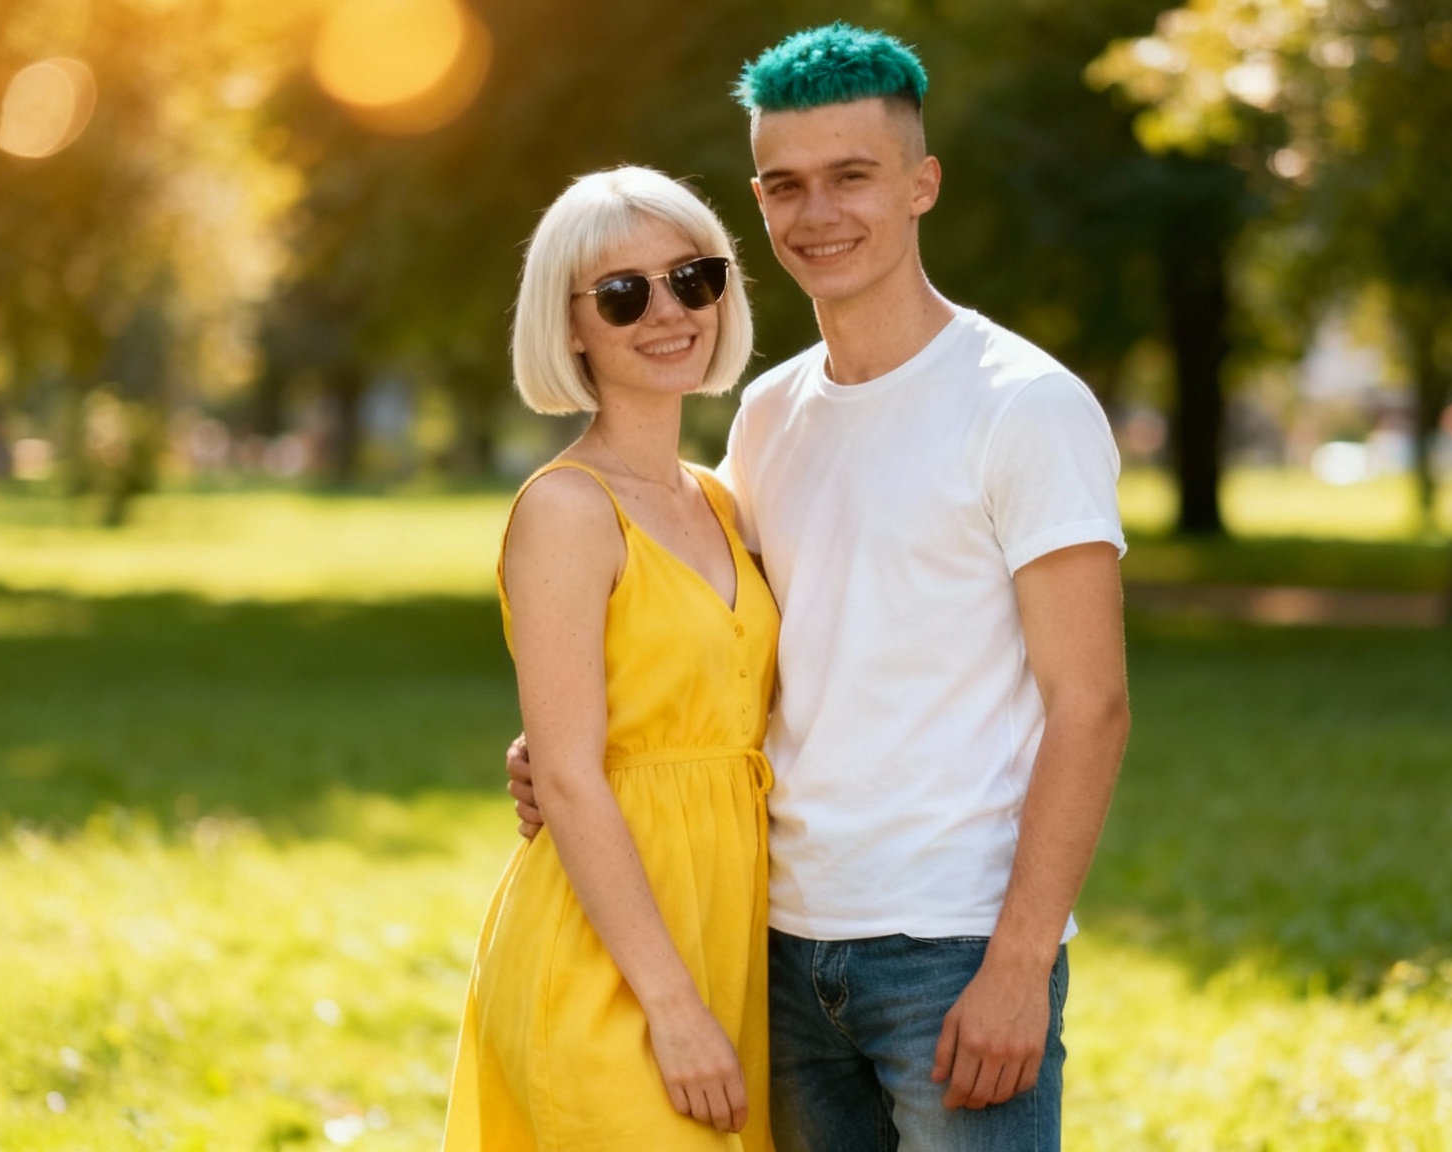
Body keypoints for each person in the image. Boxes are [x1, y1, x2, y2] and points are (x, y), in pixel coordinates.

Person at [510, 23, 1131, 1149]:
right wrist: (571, 750)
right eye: (786, 185)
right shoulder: (765, 418)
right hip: (775, 942)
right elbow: (726, 639)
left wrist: (1019, 961)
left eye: (852, 176)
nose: (819, 213)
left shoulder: (1022, 405)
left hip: (952, 949)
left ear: (919, 185)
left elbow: (1089, 705)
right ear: (758, 203)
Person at [445, 166, 777, 1151]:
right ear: (570, 326)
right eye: (624, 294)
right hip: (614, 958)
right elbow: (575, 780)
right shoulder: (563, 510)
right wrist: (671, 1009)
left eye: (693, 278)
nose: (668, 311)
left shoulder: (722, 503)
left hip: (732, 933)